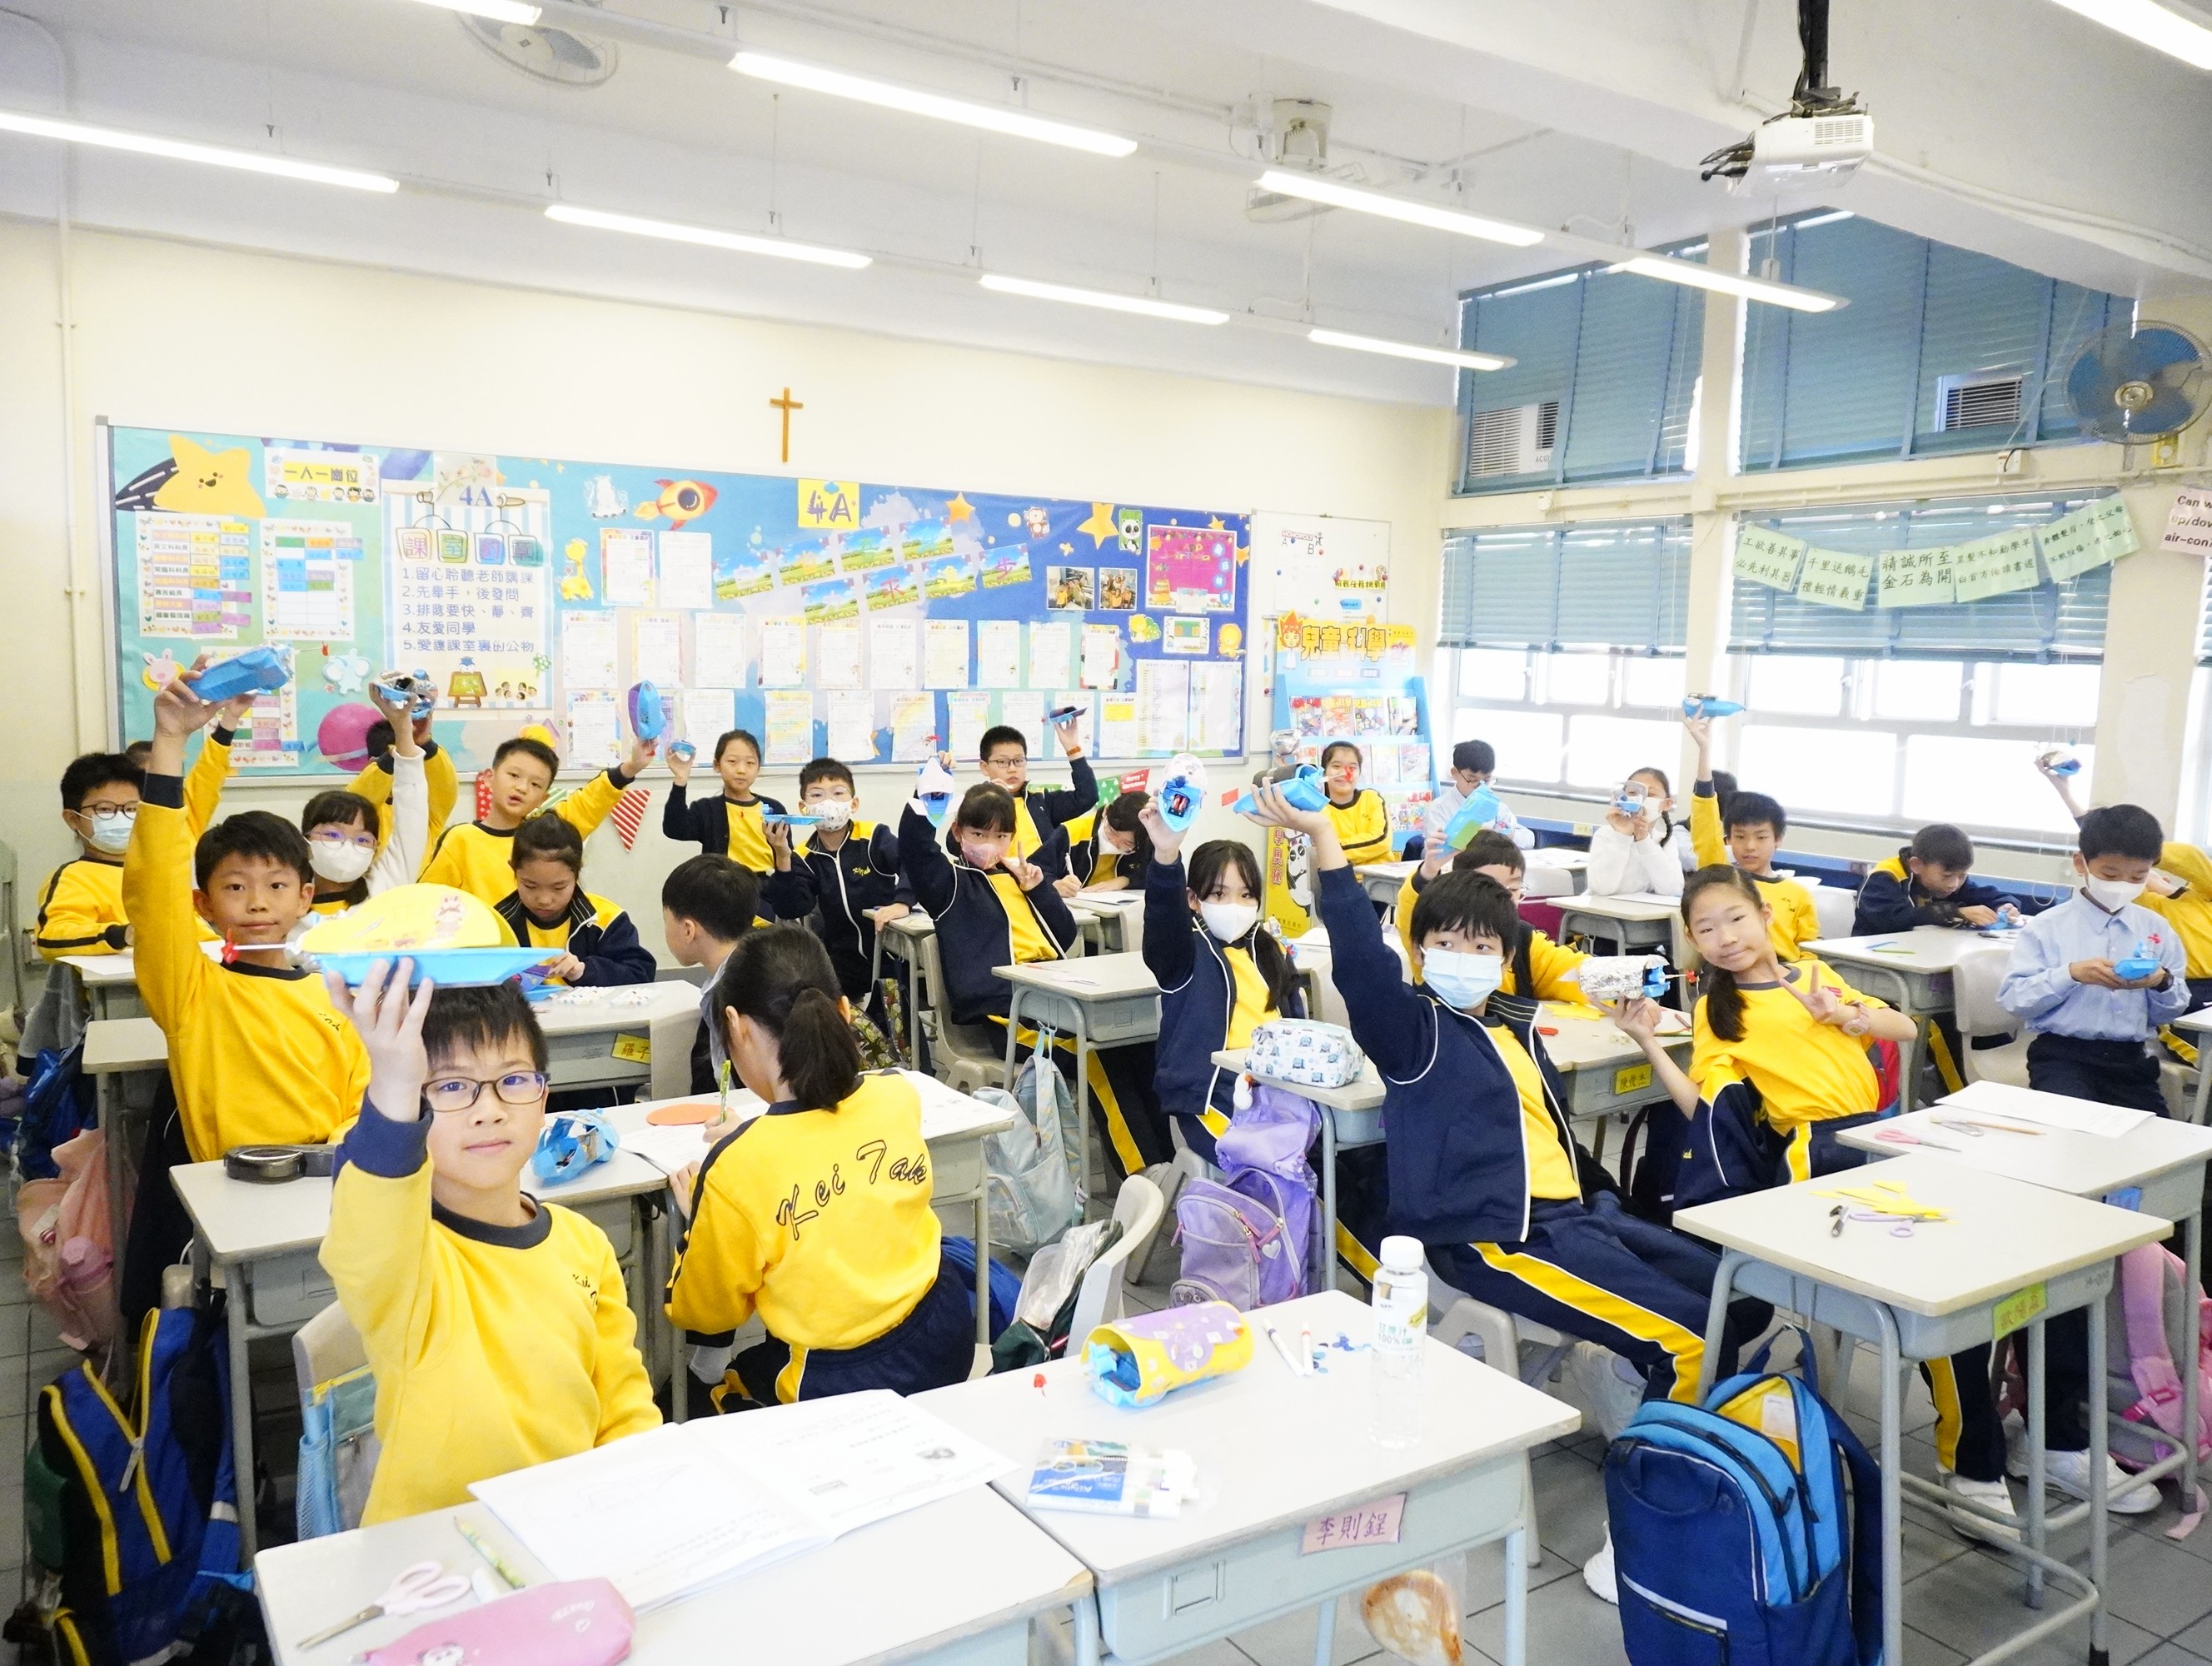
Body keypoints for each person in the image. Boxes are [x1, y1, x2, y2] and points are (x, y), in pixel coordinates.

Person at [1246, 785, 1767, 1602]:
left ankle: (1619, 1376)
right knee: (1690, 1342)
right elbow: (1360, 959)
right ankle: (1651, 1536)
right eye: (1445, 941)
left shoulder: (1515, 1026)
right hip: (1494, 1237)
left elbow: (1551, 1140)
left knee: (1744, 1294)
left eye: (1482, 943)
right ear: (1422, 953)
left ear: (1504, 955)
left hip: (1574, 1218)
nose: (1464, 954)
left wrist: (1606, 1202)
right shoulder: (1416, 1030)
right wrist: (1322, 838)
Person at [1613, 866, 2019, 1542]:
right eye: (1706, 929)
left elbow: (1903, 1028)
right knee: (1924, 1283)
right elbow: (1706, 1111)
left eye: (1735, 919)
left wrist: (1846, 1014)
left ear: (1765, 915)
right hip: (1813, 1157)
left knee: (1956, 1282)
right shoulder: (1719, 1011)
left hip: (1884, 1139)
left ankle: (1974, 1453)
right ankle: (1974, 1468)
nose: (1725, 937)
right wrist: (1648, 1041)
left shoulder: (1813, 974)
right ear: (1692, 940)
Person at [319, 968, 658, 1521]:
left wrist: (637, 1497)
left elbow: (622, 1407)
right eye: (452, 1086)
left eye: (515, 1080)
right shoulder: (410, 1259)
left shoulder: (585, 1245)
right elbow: (367, 1234)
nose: (490, 1109)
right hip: (438, 1544)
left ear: (544, 1097)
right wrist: (394, 1087)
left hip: (569, 1526)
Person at [663, 926, 974, 1409]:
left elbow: (703, 1312)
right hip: (946, 1333)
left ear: (736, 1026)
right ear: (844, 1012)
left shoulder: (736, 1168)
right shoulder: (897, 1094)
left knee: (724, 1391)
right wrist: (755, 1139)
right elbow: (824, 1145)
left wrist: (699, 1216)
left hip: (839, 1383)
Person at [1993, 802, 2183, 1514]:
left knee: (2165, 1201)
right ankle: (2056, 1423)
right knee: (2073, 1222)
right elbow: (2016, 1000)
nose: (2124, 884)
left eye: (2137, 875)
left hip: (2130, 1065)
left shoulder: (2156, 928)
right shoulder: (2047, 928)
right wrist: (2073, 973)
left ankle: (2141, 1384)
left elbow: (2173, 1005)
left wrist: (2156, 985)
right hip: (2064, 1062)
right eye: (2111, 872)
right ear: (2082, 864)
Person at [122, 662, 369, 1159]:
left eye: (276, 885)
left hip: (323, 1181)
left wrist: (334, 1162)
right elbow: (156, 882)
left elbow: (363, 1104)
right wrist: (170, 740)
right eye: (236, 887)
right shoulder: (190, 990)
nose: (257, 902)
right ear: (204, 905)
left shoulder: (336, 997)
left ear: (305, 896)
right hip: (230, 1187)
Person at [898, 760, 1168, 1176]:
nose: (990, 844)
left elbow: (1064, 936)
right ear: (958, 833)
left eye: (1001, 836)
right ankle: (1145, 1173)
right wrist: (927, 792)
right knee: (1096, 1057)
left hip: (1055, 998)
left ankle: (1167, 1162)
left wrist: (1039, 889)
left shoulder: (1019, 877)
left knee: (1137, 1045)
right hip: (1007, 1012)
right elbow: (916, 848)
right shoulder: (951, 884)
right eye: (979, 834)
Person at [1138, 806, 1301, 1163]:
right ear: (1193, 900)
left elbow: (1298, 1025)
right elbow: (1163, 920)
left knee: (1332, 1162)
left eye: (1246, 895)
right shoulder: (1185, 953)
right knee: (1265, 1162)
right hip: (1211, 1096)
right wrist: (1166, 855)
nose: (1235, 906)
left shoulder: (1271, 950)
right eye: (1219, 894)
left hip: (1277, 1088)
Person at [2038, 756, 2212, 1063]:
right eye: (2120, 875)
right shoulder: (2144, 907)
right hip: (2189, 995)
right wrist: (2066, 792)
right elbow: (2104, 848)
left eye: (2140, 873)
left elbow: (2192, 860)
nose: (2128, 881)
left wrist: (2149, 856)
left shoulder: (2203, 897)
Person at [421, 728, 652, 906]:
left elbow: (589, 803)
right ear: (489, 777)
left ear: (543, 798)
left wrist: (631, 767)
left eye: (535, 784)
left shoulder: (546, 835)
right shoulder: (461, 840)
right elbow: (427, 901)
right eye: (514, 775)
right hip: (484, 949)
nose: (522, 788)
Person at [760, 757, 904, 1003]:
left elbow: (912, 865)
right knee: (811, 1002)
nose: (828, 802)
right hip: (841, 963)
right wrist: (782, 855)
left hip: (891, 957)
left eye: (838, 793)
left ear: (854, 803)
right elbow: (791, 908)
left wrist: (902, 902)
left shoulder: (874, 837)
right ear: (803, 807)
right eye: (817, 795)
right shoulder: (804, 856)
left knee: (894, 1011)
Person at [1394, 832, 1588, 1013]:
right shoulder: (1437, 935)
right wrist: (1427, 874)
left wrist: (1606, 986)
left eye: (1513, 889)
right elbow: (1414, 913)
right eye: (1487, 887)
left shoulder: (1524, 941)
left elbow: (1575, 972)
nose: (1501, 898)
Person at [1684, 714, 1817, 960]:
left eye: (1761, 837)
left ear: (1778, 839)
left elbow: (1810, 953)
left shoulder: (1798, 894)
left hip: (1786, 975)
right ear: (1728, 839)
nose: (1750, 846)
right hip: (1734, 971)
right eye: (1740, 836)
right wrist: (1704, 751)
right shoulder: (1722, 880)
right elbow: (1704, 823)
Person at [298, 685, 436, 915]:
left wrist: (403, 727)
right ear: (305, 839)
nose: (347, 846)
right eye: (333, 835)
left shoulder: (384, 887)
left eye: (362, 839)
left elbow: (412, 805)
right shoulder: (286, 906)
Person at [492, 816, 655, 986]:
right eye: (530, 886)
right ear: (513, 869)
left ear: (576, 874)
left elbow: (641, 973)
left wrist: (584, 971)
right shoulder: (498, 924)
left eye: (559, 887)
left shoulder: (606, 919)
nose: (544, 900)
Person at [661, 854, 762, 1096]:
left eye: (666, 921)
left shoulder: (731, 993)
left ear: (688, 930)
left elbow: (737, 1090)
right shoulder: (763, 963)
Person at [663, 729, 787, 897]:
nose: (741, 770)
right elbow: (675, 829)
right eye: (732, 761)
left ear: (758, 768)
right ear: (717, 765)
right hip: (719, 890)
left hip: (764, 892)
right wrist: (680, 779)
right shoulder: (706, 809)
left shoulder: (774, 808)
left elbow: (786, 858)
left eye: (750, 763)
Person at [343, 695, 461, 870]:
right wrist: (400, 748)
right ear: (371, 765)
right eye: (401, 765)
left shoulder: (427, 812)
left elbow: (445, 785)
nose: (408, 772)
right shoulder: (369, 812)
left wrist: (423, 743)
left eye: (414, 765)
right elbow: (354, 804)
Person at [1852, 824, 2022, 935]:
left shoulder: (1952, 883)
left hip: (1922, 951)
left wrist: (2005, 906)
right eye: (1947, 876)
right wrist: (1956, 913)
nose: (1954, 884)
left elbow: (1989, 895)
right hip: (1872, 958)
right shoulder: (1884, 877)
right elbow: (1894, 920)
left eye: (1962, 875)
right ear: (1916, 865)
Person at [979, 716, 1096, 870]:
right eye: (1003, 762)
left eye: (1019, 761)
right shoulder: (976, 803)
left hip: (1042, 877)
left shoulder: (1041, 801)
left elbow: (1087, 796)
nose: (1012, 769)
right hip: (998, 879)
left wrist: (1073, 749)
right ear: (985, 767)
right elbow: (954, 844)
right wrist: (988, 801)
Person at [1587, 767, 1687, 896]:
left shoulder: (1665, 840)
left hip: (1641, 909)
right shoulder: (1606, 834)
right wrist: (1622, 837)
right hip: (1601, 909)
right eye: (1633, 793)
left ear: (1667, 804)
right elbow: (1602, 888)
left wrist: (1644, 841)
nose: (1641, 799)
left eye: (1650, 795)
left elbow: (1673, 890)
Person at [1420, 738, 1529, 854]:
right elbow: (1437, 852)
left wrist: (1511, 833)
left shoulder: (1498, 807)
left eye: (1486, 780)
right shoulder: (1439, 809)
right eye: (1472, 780)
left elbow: (1528, 840)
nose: (1480, 787)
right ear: (1455, 773)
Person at [1052, 791, 1154, 895]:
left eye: (1127, 843)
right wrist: (1055, 885)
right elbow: (1043, 871)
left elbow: (1154, 874)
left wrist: (1125, 880)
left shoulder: (1146, 839)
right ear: (1106, 811)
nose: (1115, 843)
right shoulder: (1071, 832)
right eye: (1112, 832)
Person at [1320, 741, 1395, 866]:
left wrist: (1336, 850)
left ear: (1359, 773)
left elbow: (1382, 841)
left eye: (1352, 768)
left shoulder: (1372, 798)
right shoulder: (1320, 808)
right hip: (1343, 875)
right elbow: (1323, 850)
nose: (1344, 773)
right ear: (1324, 772)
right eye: (1336, 766)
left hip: (1382, 874)